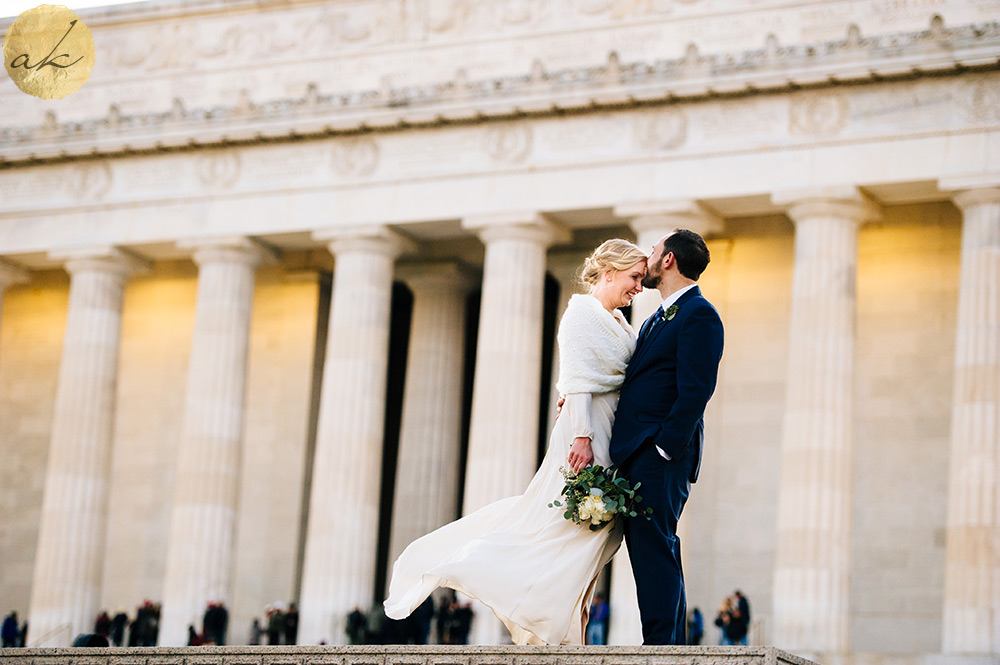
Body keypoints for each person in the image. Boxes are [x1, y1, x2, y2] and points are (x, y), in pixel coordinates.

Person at [384, 239, 648, 645]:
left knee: (596, 533)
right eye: (634, 278)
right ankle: (488, 574)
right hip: (588, 431)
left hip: (608, 426)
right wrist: (581, 437)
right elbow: (577, 379)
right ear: (609, 272)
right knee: (573, 526)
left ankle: (571, 630)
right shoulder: (581, 314)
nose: (639, 288)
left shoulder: (616, 320)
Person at [609, 229, 724, 645]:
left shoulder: (699, 314)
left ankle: (661, 648)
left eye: (655, 251)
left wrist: (662, 447)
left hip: (659, 454)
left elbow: (696, 390)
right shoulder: (660, 315)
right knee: (655, 550)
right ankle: (667, 645)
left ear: (669, 260)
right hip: (640, 451)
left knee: (654, 550)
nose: (649, 258)